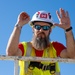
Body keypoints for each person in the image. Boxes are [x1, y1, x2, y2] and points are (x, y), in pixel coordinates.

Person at [6, 8, 75, 75]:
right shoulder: (25, 47)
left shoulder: (55, 47)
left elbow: (72, 56)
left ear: (50, 30)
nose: (41, 30)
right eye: (38, 27)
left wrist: (68, 29)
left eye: (45, 27)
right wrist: (19, 25)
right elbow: (11, 54)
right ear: (33, 29)